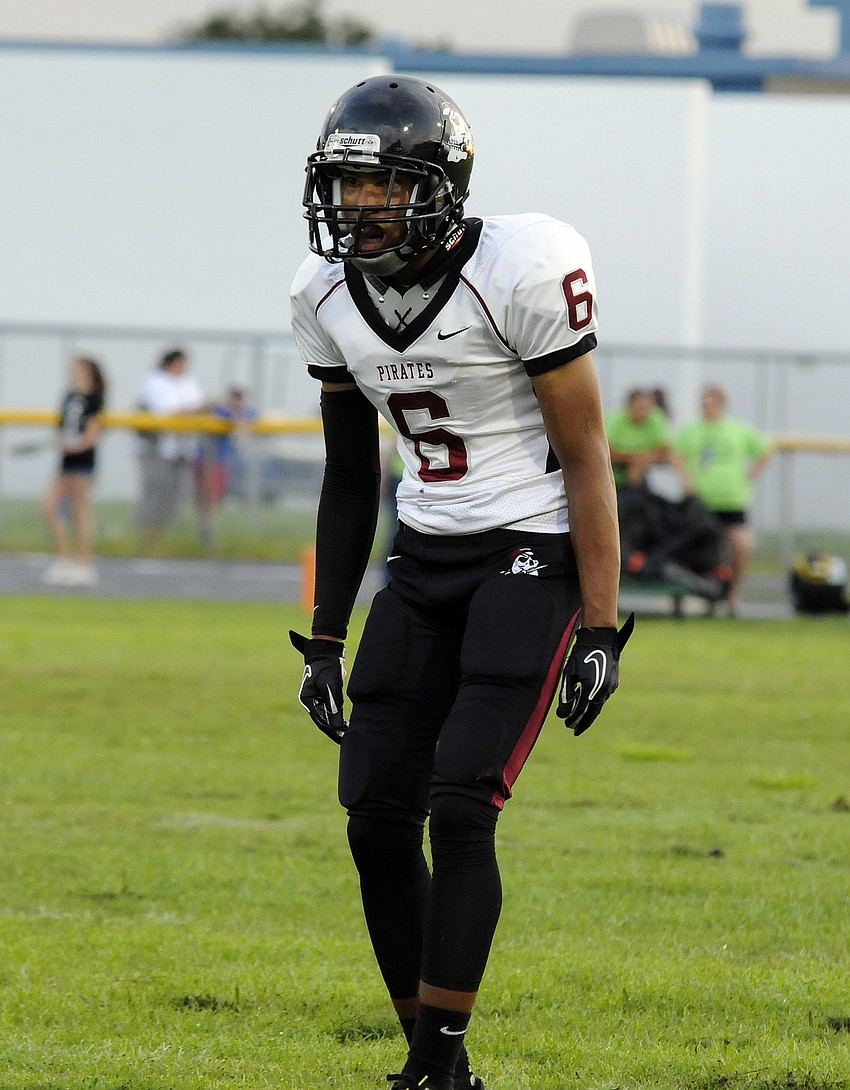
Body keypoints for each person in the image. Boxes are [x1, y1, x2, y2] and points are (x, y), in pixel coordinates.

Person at [288, 75, 633, 1090]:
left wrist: (603, 624)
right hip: (425, 551)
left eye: (382, 185)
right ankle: (430, 1057)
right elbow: (351, 478)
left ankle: (438, 1066)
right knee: (372, 812)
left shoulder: (519, 268)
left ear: (438, 184)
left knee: (461, 802)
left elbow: (586, 455)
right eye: (345, 186)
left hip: (528, 548)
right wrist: (323, 635)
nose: (358, 206)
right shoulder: (321, 292)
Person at [675, 384, 773, 615]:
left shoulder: (738, 430)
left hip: (732, 502)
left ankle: (732, 595)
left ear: (722, 404)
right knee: (699, 549)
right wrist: (686, 480)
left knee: (741, 546)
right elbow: (675, 453)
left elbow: (765, 450)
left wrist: (750, 476)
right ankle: (702, 593)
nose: (707, 407)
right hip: (701, 503)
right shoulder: (691, 431)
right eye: (704, 402)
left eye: (712, 402)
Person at [41, 356, 107, 587]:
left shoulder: (94, 399)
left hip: (83, 461)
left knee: (80, 511)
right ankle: (65, 558)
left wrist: (75, 445)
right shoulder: (69, 396)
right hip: (65, 461)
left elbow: (92, 434)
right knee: (49, 506)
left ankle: (85, 563)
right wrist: (61, 442)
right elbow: (63, 428)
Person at [135, 348, 208, 543]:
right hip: (158, 448)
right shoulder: (155, 382)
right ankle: (146, 532)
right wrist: (193, 410)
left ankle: (164, 533)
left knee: (177, 493)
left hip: (183, 447)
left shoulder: (188, 382)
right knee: (155, 490)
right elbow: (169, 412)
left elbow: (197, 407)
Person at [605, 387, 692, 491]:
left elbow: (666, 449)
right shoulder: (616, 419)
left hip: (645, 474)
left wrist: (642, 461)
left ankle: (689, 492)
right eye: (640, 406)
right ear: (630, 405)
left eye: (647, 407)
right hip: (614, 476)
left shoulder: (656, 418)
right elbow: (606, 451)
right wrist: (635, 459)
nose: (644, 411)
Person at [195, 386, 257, 526]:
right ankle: (205, 524)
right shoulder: (219, 411)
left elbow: (250, 416)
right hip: (206, 459)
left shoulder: (244, 412)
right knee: (203, 496)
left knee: (216, 496)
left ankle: (209, 525)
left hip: (220, 461)